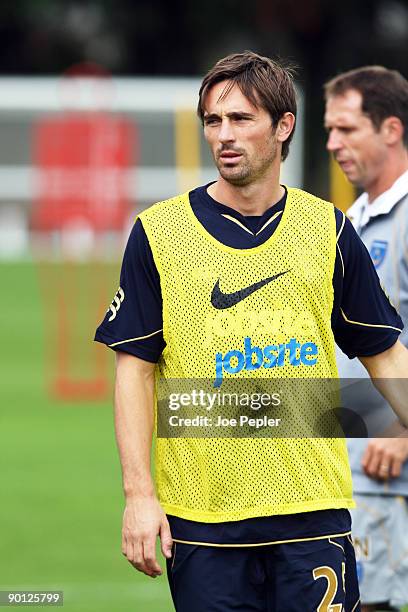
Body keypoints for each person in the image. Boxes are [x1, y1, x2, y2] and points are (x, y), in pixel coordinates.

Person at [95, 52, 408, 612]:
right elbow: (134, 373)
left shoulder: (328, 229)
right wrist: (139, 496)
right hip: (202, 520)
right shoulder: (157, 233)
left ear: (283, 126)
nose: (223, 135)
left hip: (312, 512)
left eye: (240, 119)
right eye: (213, 122)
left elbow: (384, 355)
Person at [324, 66, 408, 612]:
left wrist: (404, 429)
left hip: (391, 467)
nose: (333, 144)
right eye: (329, 131)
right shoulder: (355, 218)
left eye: (347, 129)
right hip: (351, 465)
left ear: (392, 130)